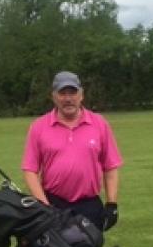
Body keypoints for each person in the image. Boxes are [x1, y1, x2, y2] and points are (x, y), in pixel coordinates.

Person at [21, 71, 122, 233]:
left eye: (72, 92)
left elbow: (110, 167)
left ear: (81, 95)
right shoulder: (39, 127)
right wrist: (44, 205)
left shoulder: (99, 124)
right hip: (53, 204)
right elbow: (30, 170)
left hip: (89, 206)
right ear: (54, 96)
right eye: (62, 93)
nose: (68, 99)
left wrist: (112, 204)